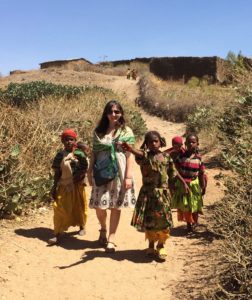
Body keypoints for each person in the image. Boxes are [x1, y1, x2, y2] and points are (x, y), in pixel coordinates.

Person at [121, 131, 187, 261]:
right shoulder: (144, 157)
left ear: (160, 142)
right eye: (150, 141)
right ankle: (150, 245)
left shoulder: (166, 157)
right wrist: (130, 149)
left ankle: (161, 245)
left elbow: (173, 173)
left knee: (164, 221)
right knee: (149, 220)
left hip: (163, 194)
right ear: (146, 144)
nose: (153, 143)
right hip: (148, 194)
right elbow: (139, 153)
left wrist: (182, 184)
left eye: (156, 141)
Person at [88, 100, 136, 253]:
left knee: (116, 205)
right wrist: (89, 172)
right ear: (106, 113)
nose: (113, 114)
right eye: (111, 111)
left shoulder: (126, 131)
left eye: (117, 112)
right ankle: (103, 228)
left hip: (119, 172)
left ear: (121, 113)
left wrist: (128, 177)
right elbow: (94, 153)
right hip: (101, 171)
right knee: (99, 206)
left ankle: (111, 239)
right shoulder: (99, 131)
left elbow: (129, 155)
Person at [48, 129, 88, 245]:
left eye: (71, 139)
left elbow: (85, 167)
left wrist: (78, 176)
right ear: (62, 141)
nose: (69, 142)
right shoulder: (60, 155)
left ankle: (82, 226)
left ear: (75, 140)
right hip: (64, 186)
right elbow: (57, 172)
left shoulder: (80, 153)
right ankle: (57, 233)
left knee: (79, 207)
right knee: (59, 208)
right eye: (66, 140)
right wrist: (54, 187)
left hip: (78, 186)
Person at [172, 133, 206, 232]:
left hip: (194, 184)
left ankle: (195, 223)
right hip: (183, 184)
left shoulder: (199, 158)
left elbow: (201, 173)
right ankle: (188, 224)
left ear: (197, 144)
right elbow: (175, 170)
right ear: (185, 143)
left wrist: (203, 186)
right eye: (189, 142)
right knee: (186, 205)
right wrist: (176, 183)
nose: (191, 144)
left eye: (193, 142)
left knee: (195, 204)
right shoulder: (181, 156)